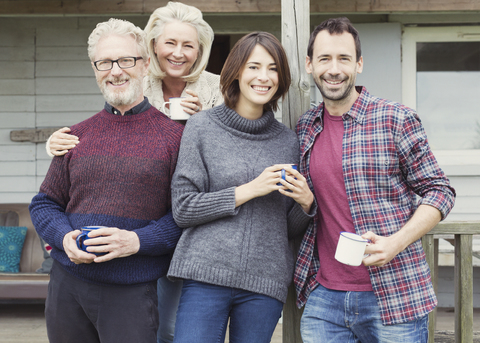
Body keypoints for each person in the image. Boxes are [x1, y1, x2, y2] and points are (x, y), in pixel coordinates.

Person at [42, 3, 221, 342]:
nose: (116, 70)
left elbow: (185, 210)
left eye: (125, 60)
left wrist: (136, 241)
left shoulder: (184, 128)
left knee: (169, 331)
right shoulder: (77, 135)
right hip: (68, 283)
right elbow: (45, 203)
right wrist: (64, 238)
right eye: (104, 63)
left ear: (143, 65)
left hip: (136, 285)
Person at [294, 17, 456, 342]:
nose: (334, 69)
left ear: (359, 63)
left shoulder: (396, 119)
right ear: (310, 65)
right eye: (325, 58)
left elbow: (440, 191)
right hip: (324, 297)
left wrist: (395, 242)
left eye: (344, 58)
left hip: (394, 294)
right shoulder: (305, 127)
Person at [168, 31, 316, 343]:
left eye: (273, 68)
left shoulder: (288, 141)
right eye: (254, 66)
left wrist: (305, 206)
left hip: (264, 283)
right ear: (236, 71)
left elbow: (284, 227)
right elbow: (182, 209)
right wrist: (249, 189)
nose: (264, 77)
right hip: (205, 276)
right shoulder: (201, 128)